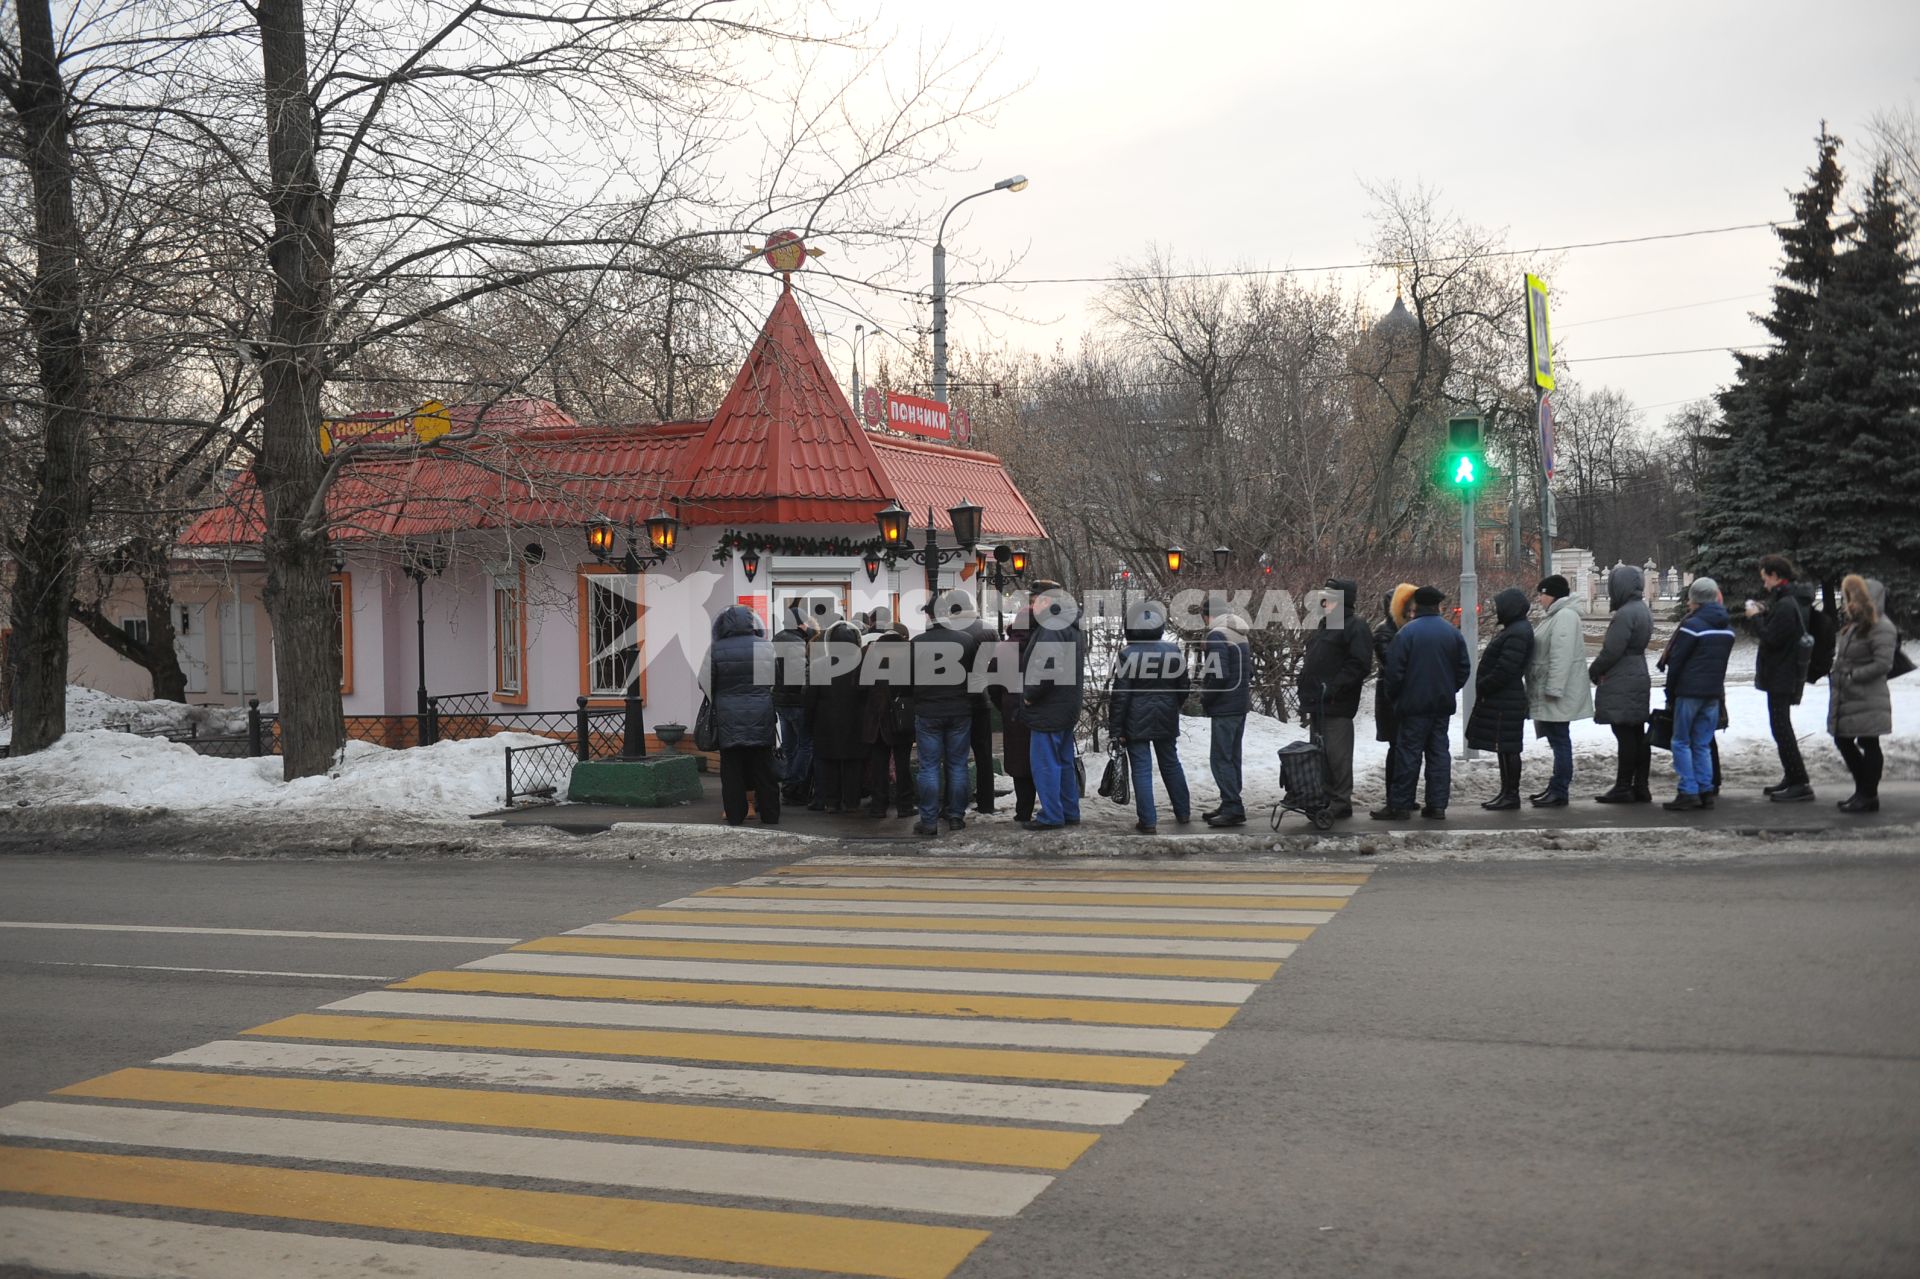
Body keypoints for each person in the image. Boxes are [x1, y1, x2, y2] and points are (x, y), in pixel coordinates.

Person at [1372, 585, 1470, 820]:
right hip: (1441, 705)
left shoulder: (1406, 633)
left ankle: (1401, 805)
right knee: (1438, 754)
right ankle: (1436, 806)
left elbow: (1394, 672)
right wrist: (1449, 689)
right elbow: (1463, 668)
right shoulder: (1452, 633)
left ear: (1416, 606)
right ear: (1438, 606)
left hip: (1413, 707)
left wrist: (1397, 697)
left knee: (1408, 754)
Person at [1109, 599, 1192, 834]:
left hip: (1135, 720)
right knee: (1171, 764)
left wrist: (1116, 729)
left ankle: (1148, 821)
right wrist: (1172, 706)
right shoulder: (1173, 650)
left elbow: (1121, 696)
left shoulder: (1127, 654)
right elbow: (1183, 687)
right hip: (1166, 716)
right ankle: (1183, 812)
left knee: (1142, 769)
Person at [1296, 579, 1372, 821]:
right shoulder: (1327, 625)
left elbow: (1359, 664)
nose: (1322, 602)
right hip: (1319, 702)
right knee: (1321, 754)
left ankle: (1340, 800)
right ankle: (1328, 797)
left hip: (1336, 703)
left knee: (1336, 755)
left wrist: (1333, 687)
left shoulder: (1355, 626)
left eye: (1327, 598)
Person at [1661, 577, 1736, 812]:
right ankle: (1705, 789)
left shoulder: (1691, 627)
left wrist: (1670, 693)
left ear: (1696, 599)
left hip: (1689, 692)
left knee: (1681, 742)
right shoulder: (1726, 629)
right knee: (1702, 743)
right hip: (1713, 693)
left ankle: (1688, 790)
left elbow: (1677, 663)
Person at [910, 591, 982, 835]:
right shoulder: (966, 640)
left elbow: (906, 681)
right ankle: (955, 816)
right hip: (960, 709)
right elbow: (976, 677)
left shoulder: (916, 643)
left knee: (928, 766)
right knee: (958, 765)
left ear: (930, 616)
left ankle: (928, 820)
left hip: (928, 710)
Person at [1747, 553, 1817, 802]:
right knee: (1780, 726)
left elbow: (1773, 638)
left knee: (1782, 728)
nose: (1764, 583)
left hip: (1782, 674)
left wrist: (1756, 617)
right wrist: (1765, 612)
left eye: (1765, 578)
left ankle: (1800, 782)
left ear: (1775, 576)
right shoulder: (1787, 600)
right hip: (1781, 673)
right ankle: (1793, 775)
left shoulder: (1787, 603)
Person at [702, 605, 779, 826]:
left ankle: (735, 816)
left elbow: (705, 682)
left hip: (728, 717)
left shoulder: (716, 649)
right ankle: (771, 815)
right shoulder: (765, 646)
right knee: (764, 768)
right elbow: (776, 677)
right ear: (750, 623)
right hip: (761, 714)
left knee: (732, 770)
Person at [1828, 574, 1896, 814]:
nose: (1851, 603)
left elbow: (1883, 664)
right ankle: (1864, 792)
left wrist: (1851, 676)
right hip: (1851, 695)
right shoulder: (1856, 625)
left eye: (1855, 598)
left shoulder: (1881, 627)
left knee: (1867, 741)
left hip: (1867, 696)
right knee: (1846, 739)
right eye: (1849, 598)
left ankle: (1868, 795)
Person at [1022, 581, 1085, 831]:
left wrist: (1030, 695)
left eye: (1033, 601)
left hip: (1048, 707)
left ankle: (1051, 814)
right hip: (1066, 705)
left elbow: (1048, 667)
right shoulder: (1070, 624)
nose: (1031, 606)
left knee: (1045, 764)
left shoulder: (1052, 626)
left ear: (1045, 601)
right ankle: (1069, 811)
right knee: (1064, 762)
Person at [1526, 574, 1592, 807]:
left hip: (1556, 691)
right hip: (1551, 688)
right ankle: (1555, 787)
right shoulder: (1556, 616)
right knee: (1557, 739)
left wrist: (1554, 687)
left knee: (1560, 739)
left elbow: (1560, 656)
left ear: (1552, 595)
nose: (1539, 598)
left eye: (1542, 594)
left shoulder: (1564, 616)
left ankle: (1559, 789)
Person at [1590, 564, 1653, 804]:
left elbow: (1611, 650)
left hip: (1622, 677)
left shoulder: (1625, 613)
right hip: (1638, 673)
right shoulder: (1643, 609)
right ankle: (1641, 786)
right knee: (1637, 734)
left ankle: (1623, 786)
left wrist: (1595, 670)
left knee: (1625, 733)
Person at [1466, 586, 1534, 810]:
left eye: (1500, 607)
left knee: (1509, 747)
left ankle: (1511, 794)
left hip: (1507, 698)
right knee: (1504, 747)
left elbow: (1506, 668)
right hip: (1505, 697)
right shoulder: (1515, 629)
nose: (1497, 611)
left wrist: (1485, 685)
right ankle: (1506, 792)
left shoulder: (1518, 632)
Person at [804, 615, 867, 814]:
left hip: (826, 721)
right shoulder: (862, 664)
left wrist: (808, 722)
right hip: (856, 721)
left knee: (829, 763)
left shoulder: (819, 665)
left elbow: (810, 697)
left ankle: (832, 801)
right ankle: (852, 802)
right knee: (853, 763)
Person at [1199, 596, 1251, 827]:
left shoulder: (1216, 635)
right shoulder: (1238, 632)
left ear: (1207, 615)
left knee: (1220, 759)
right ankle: (1230, 801)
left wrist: (1205, 698)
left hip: (1224, 705)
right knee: (1232, 757)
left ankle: (1232, 806)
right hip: (1239, 704)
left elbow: (1218, 674)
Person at [862, 620, 915, 817]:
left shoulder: (870, 654)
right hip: (901, 717)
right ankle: (905, 806)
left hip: (876, 719)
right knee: (903, 764)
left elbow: (859, 686)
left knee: (879, 765)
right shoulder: (908, 654)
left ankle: (878, 806)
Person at [1373, 584, 1417, 802]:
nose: (1411, 613)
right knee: (1397, 747)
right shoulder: (1384, 631)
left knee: (1404, 748)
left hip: (1402, 697)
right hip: (1391, 700)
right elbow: (1392, 664)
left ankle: (1404, 795)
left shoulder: (1406, 629)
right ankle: (1395, 796)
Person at [770, 605, 813, 804]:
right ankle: (793, 784)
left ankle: (788, 783)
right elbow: (799, 676)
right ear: (799, 624)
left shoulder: (775, 640)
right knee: (805, 745)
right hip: (796, 702)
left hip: (780, 701)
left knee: (789, 745)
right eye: (805, 622)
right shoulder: (796, 643)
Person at [998, 605, 1037, 822]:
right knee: (1042, 760)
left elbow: (993, 682)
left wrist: (1004, 702)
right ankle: (1051, 807)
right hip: (1039, 710)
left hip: (1012, 710)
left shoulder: (1005, 648)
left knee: (1019, 761)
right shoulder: (1043, 645)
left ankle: (1023, 811)